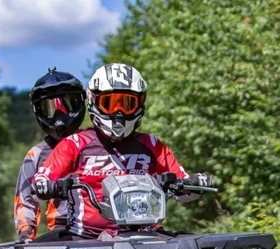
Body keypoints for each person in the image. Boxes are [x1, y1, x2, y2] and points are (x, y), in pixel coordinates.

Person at [31, 63, 210, 239]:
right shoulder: (75, 143)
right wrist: (44, 185)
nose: (118, 113)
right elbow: (42, 177)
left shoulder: (152, 144)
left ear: (140, 103)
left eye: (127, 103)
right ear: (94, 101)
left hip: (146, 234)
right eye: (109, 103)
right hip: (85, 238)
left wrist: (194, 183)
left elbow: (183, 185)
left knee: (195, 247)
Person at [13, 68, 86, 241]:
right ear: (38, 111)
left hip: (105, 229)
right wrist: (26, 237)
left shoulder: (97, 144)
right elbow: (25, 201)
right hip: (62, 232)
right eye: (50, 108)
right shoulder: (36, 155)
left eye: (67, 104)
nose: (59, 115)